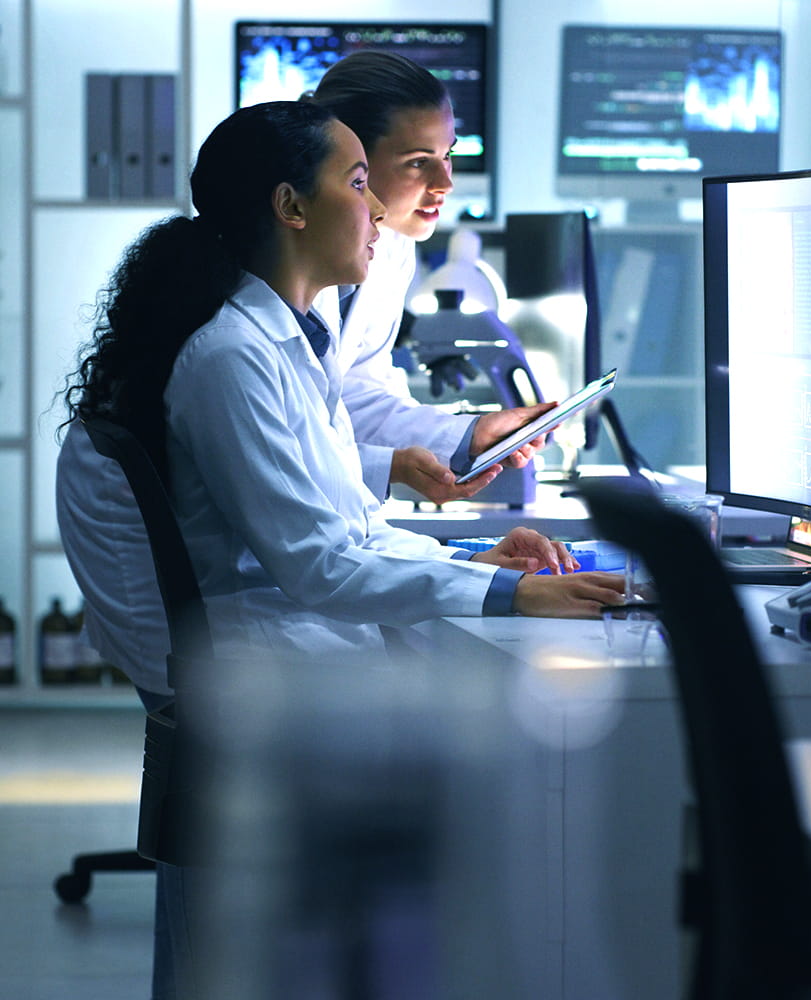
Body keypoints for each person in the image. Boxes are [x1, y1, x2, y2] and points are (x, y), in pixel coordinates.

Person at [57, 100, 623, 998]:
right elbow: (319, 564)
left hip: (284, 639)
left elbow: (345, 526)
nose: (379, 211)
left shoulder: (283, 340)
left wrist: (473, 568)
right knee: (543, 741)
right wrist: (512, 598)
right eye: (359, 183)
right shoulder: (231, 357)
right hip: (270, 663)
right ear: (291, 207)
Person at [305, 50, 556, 504]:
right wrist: (396, 466)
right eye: (419, 161)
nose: (445, 182)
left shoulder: (394, 246)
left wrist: (470, 434)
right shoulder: (278, 279)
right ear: (349, 160)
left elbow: (358, 395)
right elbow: (290, 450)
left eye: (448, 155)